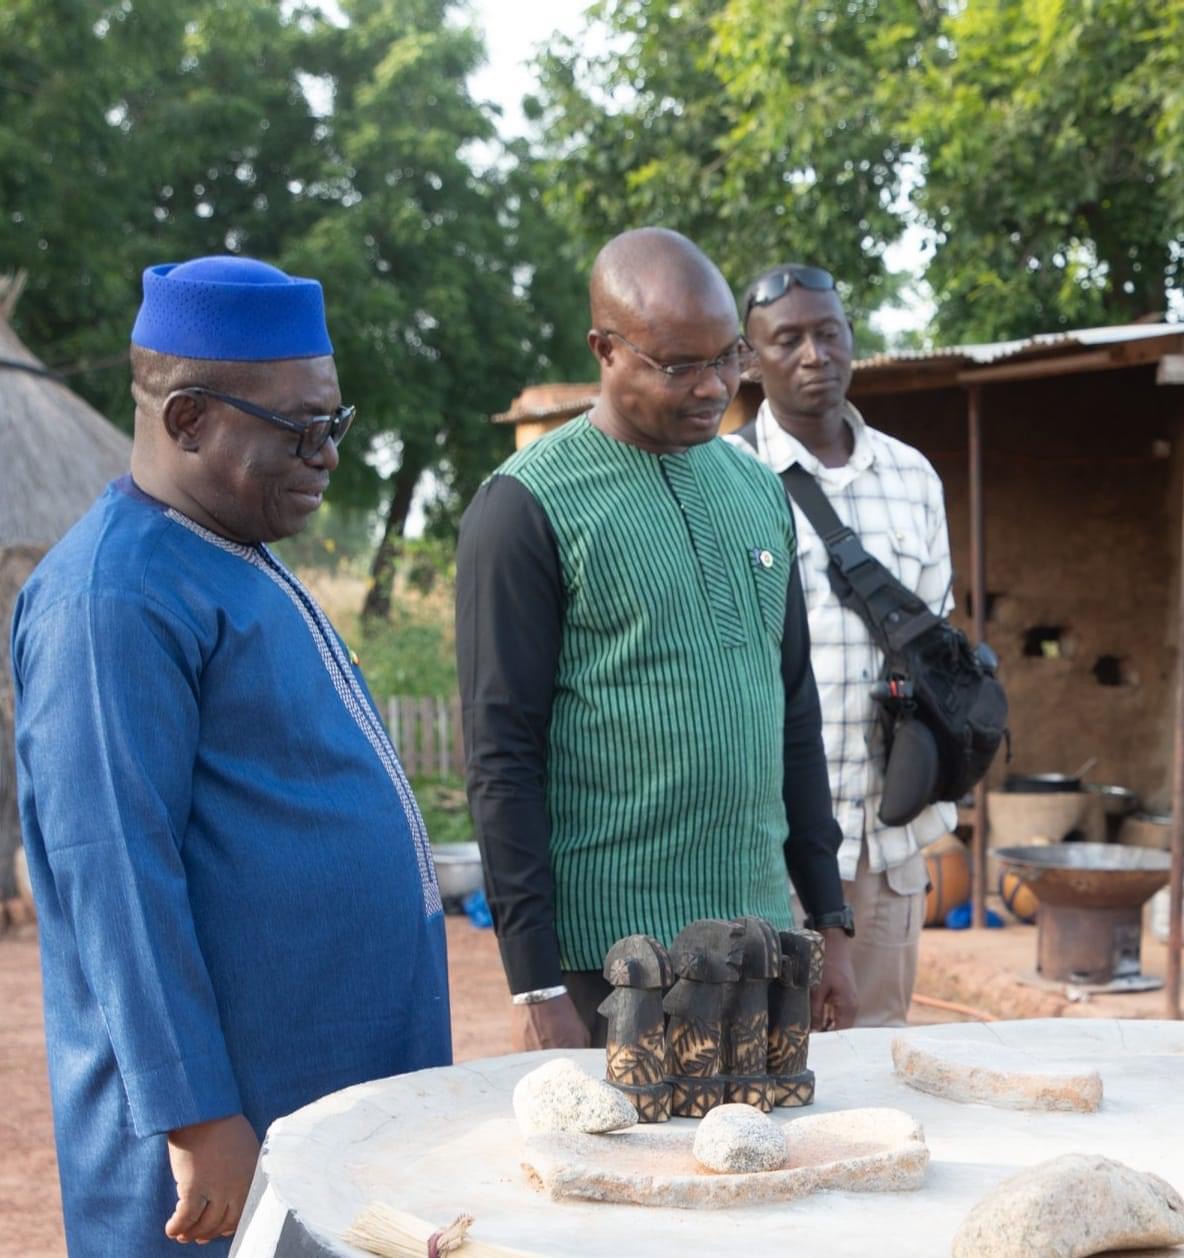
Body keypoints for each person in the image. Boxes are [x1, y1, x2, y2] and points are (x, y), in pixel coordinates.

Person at [11, 256, 451, 1254]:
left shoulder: (232, 555)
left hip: (313, 1090)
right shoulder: (112, 598)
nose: (327, 454)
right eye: (301, 427)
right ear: (188, 420)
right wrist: (197, 1112)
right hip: (219, 1136)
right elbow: (113, 870)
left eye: (333, 422)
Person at [456, 229, 856, 1051]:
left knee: (755, 1167)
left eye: (728, 358)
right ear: (604, 349)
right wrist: (535, 981)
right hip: (608, 965)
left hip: (756, 944)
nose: (713, 387)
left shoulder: (754, 488)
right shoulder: (525, 508)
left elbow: (794, 713)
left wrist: (830, 920)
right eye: (679, 366)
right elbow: (502, 757)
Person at [729, 264, 957, 1028]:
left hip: (886, 841)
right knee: (767, 1050)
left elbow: (937, 645)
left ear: (851, 339)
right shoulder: (724, 478)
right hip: (769, 840)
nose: (813, 354)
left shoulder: (913, 477)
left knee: (881, 1050)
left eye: (828, 333)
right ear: (750, 358)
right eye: (786, 339)